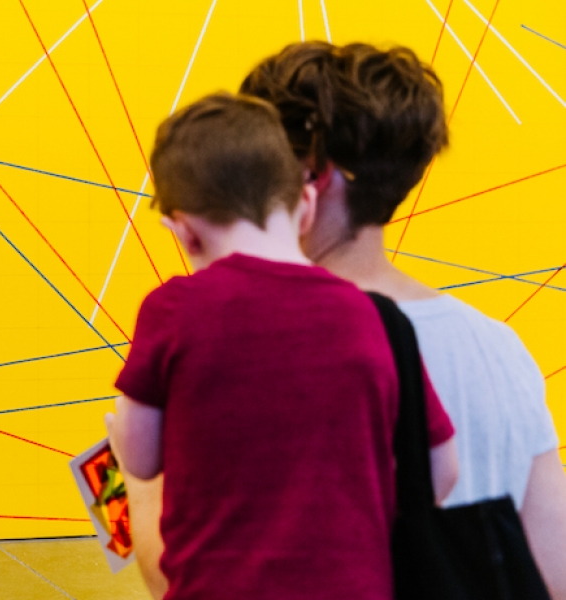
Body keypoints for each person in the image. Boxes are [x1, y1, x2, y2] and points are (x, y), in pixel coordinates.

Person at [240, 41, 566, 598]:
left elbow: (189, 569)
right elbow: (554, 569)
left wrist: (139, 481)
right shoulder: (499, 348)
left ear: (312, 174)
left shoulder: (256, 347)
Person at [105, 91, 458, 600]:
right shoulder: (372, 316)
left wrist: (120, 438)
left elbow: (139, 459)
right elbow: (441, 471)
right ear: (305, 205)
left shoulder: (172, 310)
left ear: (182, 231)